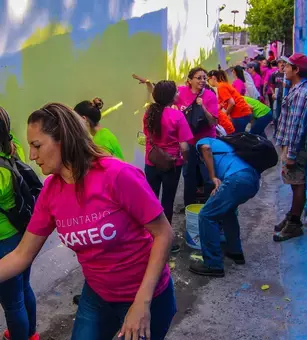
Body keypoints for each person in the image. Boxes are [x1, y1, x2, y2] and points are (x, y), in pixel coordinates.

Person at [0, 103, 176, 339]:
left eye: (37, 145)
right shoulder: (50, 192)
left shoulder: (117, 175)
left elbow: (163, 234)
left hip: (146, 295)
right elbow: (22, 255)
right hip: (98, 295)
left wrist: (141, 303)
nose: (31, 155)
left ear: (63, 139)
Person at [188, 137, 260, 277]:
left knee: (206, 215)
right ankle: (235, 252)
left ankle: (213, 264)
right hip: (252, 180)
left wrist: (213, 177)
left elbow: (205, 149)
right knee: (227, 212)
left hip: (236, 179)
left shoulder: (202, 142)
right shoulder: (224, 144)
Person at [0, 107, 39, 340]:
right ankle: (31, 333)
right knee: (24, 288)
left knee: (12, 303)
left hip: (3, 243)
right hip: (21, 236)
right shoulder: (15, 149)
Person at [144, 80, 193, 252]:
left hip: (152, 161)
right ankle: (165, 240)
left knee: (150, 199)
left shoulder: (149, 113)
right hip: (172, 164)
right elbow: (185, 146)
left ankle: (148, 237)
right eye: (176, 92)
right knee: (167, 200)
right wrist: (185, 159)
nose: (179, 94)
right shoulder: (177, 116)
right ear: (171, 96)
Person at [274, 53, 307, 242]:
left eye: (288, 66)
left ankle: (294, 224)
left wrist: (290, 154)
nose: (284, 69)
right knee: (293, 183)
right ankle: (293, 215)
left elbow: (297, 126)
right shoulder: (297, 88)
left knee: (297, 183)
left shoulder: (302, 93)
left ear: (297, 70)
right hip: (290, 144)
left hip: (296, 148)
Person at [175, 67, 219, 207]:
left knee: (208, 175)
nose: (202, 80)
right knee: (188, 175)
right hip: (188, 142)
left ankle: (209, 207)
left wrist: (203, 107)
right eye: (199, 78)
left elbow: (213, 122)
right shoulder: (181, 92)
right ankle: (189, 206)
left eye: (204, 78)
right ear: (190, 80)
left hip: (205, 141)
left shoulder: (210, 95)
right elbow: (164, 96)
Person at [269, 58, 287, 133]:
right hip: (277, 98)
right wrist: (273, 93)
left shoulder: (288, 74)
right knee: (276, 116)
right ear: (278, 64)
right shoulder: (274, 74)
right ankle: (276, 131)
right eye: (280, 62)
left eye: (284, 62)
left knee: (285, 117)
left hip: (286, 98)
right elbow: (271, 85)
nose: (282, 64)